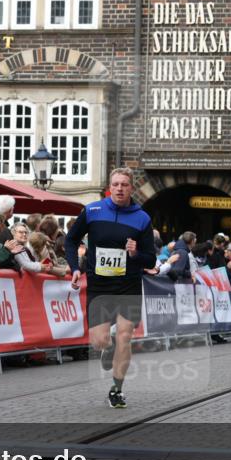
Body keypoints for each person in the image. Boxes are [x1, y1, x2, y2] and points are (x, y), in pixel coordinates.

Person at [64, 167, 157, 409]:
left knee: (125, 336)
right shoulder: (93, 211)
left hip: (128, 285)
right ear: (109, 186)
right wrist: (75, 267)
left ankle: (117, 390)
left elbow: (151, 260)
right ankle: (108, 346)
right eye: (115, 184)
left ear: (131, 188)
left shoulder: (142, 218)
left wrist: (136, 253)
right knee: (100, 341)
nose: (119, 188)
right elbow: (71, 239)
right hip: (100, 285)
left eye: (124, 185)